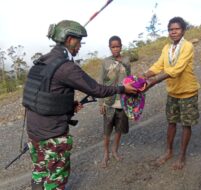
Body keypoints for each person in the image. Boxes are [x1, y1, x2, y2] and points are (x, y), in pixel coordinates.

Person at [22, 20, 137, 190]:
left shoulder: (42, 61)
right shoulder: (66, 67)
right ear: (69, 39)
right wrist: (122, 88)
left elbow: (44, 95)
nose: (80, 46)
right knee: (55, 181)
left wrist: (67, 106)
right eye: (79, 41)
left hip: (34, 131)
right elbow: (96, 89)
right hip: (52, 135)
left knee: (39, 173)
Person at [141, 17, 200, 170]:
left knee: (186, 125)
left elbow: (177, 69)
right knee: (171, 123)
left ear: (183, 30)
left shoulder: (187, 46)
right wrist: (144, 75)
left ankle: (182, 156)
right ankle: (169, 151)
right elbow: (158, 65)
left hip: (188, 92)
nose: (173, 32)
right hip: (173, 92)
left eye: (176, 29)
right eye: (170, 29)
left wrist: (154, 81)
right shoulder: (167, 48)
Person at [99, 36, 131, 168]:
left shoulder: (126, 61)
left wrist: (131, 100)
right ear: (110, 48)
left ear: (121, 46)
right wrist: (101, 103)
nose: (116, 49)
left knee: (119, 129)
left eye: (118, 46)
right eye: (113, 47)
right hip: (109, 102)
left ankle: (114, 151)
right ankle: (106, 153)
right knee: (107, 131)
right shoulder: (105, 62)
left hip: (123, 102)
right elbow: (101, 83)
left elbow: (129, 80)